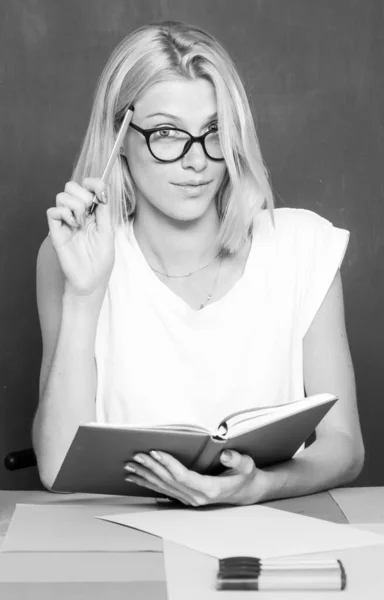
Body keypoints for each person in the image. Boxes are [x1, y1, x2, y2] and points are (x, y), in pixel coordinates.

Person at [32, 20, 364, 506]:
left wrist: (260, 485)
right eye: (167, 133)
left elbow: (345, 447)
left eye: (214, 132)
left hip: (267, 537)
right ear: (119, 135)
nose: (197, 161)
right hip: (121, 548)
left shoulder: (302, 248)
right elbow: (57, 465)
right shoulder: (73, 254)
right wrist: (84, 296)